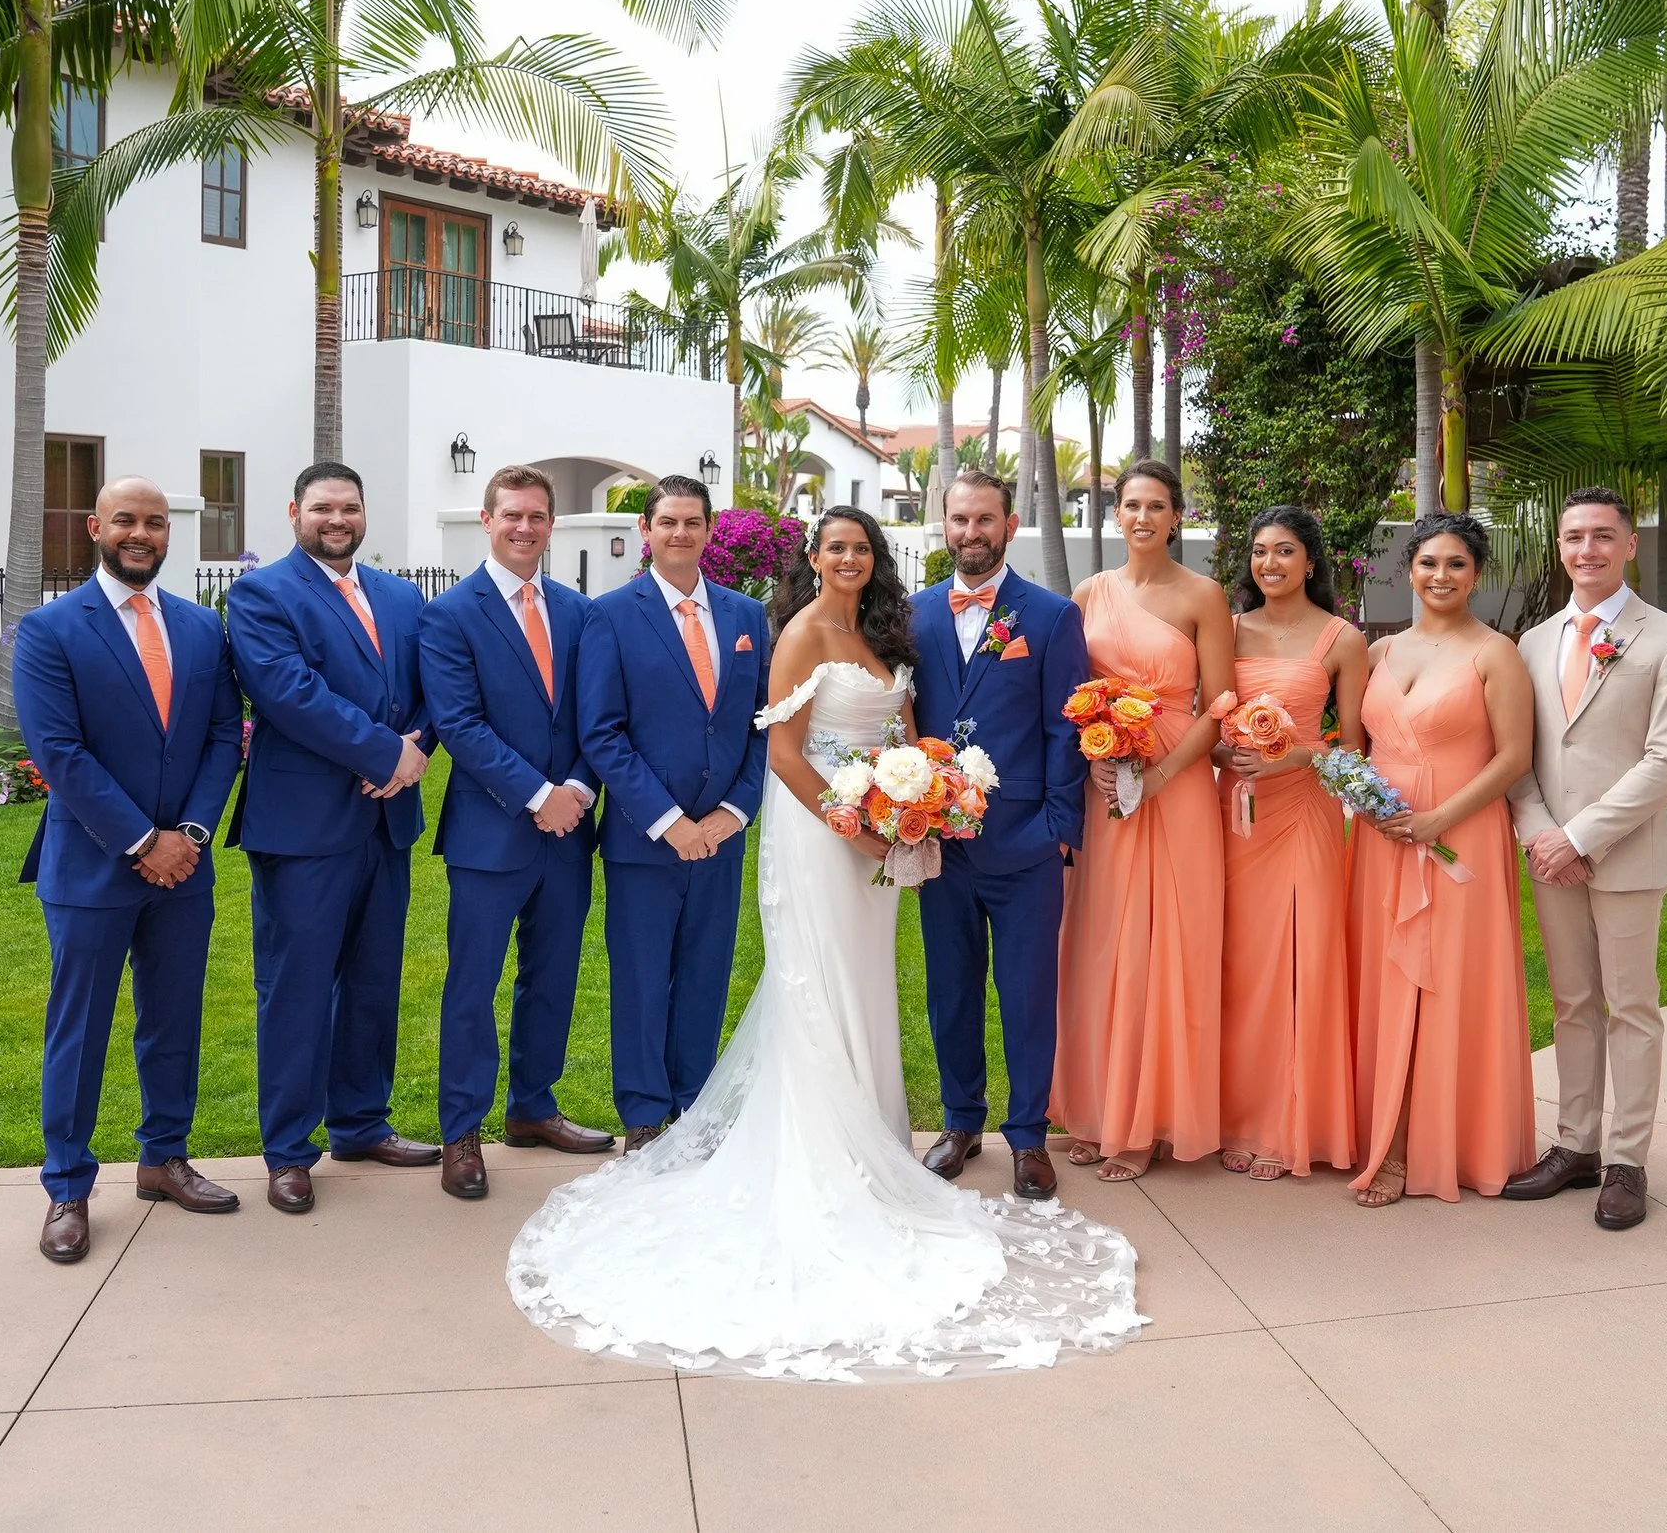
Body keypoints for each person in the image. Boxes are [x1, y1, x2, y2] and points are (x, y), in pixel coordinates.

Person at [507, 508, 1143, 1378]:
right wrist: (852, 821)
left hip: (882, 836)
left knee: (866, 980)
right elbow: (784, 752)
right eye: (834, 546)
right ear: (813, 557)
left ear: (874, 558)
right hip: (822, 837)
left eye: (861, 546)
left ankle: (875, 1139)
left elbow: (906, 734)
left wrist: (916, 800)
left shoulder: (887, 628)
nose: (848, 557)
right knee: (821, 978)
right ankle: (824, 1152)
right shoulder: (802, 631)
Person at [13, 476, 246, 1263]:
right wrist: (143, 842)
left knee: (173, 1017)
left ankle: (164, 1157)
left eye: (154, 521)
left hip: (186, 865)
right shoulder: (50, 629)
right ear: (95, 527)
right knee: (79, 1029)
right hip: (92, 867)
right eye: (125, 520)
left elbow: (224, 737)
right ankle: (68, 1186)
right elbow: (60, 753)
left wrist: (189, 833)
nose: (141, 533)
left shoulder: (201, 628)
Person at [224, 463, 440, 1216]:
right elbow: (289, 693)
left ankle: (361, 1121)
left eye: (349, 506)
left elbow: (432, 688)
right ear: (294, 513)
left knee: (375, 981)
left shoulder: (401, 595)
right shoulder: (261, 594)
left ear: (364, 512)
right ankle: (289, 1148)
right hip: (305, 827)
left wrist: (415, 747)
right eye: (323, 507)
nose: (337, 518)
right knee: (298, 987)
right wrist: (387, 753)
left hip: (386, 821)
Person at [1503, 487, 1667, 1230]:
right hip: (1550, 854)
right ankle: (1575, 1145)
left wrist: (1581, 835)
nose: (1585, 549)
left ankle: (1627, 1160)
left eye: (1601, 536)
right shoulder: (1531, 641)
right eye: (1573, 536)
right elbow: (1518, 753)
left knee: (1632, 1007)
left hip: (1621, 854)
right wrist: (1538, 832)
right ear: (1559, 546)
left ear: (1629, 546)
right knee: (1572, 1004)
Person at [419, 465, 614, 1202]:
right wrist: (538, 794)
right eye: (512, 515)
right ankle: (461, 1130)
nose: (524, 527)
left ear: (551, 524)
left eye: (537, 516)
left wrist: (578, 790)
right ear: (486, 519)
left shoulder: (578, 610)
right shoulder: (449, 615)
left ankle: (533, 1106)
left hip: (568, 830)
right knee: (473, 983)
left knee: (552, 974)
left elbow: (597, 716)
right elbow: (460, 725)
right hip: (489, 831)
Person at [907, 469, 1091, 1201]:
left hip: (1024, 843)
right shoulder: (914, 612)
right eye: (959, 519)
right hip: (938, 844)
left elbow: (1065, 728)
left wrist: (1057, 828)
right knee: (951, 990)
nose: (971, 532)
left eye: (985, 519)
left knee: (1026, 993)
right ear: (945, 526)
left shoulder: (1048, 617)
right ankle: (960, 1122)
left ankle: (1027, 1136)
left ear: (1010, 525)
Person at [1346, 512, 1538, 1207]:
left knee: (1447, 983)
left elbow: (1514, 756)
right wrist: (1362, 798)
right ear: (1409, 570)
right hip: (1383, 839)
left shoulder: (1496, 653)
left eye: (1456, 564)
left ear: (1477, 574)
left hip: (1460, 834)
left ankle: (1428, 1148)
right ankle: (1382, 1133)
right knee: (1387, 981)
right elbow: (1355, 746)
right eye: (1429, 562)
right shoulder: (1379, 653)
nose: (1441, 575)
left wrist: (1437, 819)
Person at [576, 475, 770, 1150]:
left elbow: (761, 724)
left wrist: (734, 812)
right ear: (646, 532)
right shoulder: (609, 614)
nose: (680, 533)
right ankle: (642, 1112)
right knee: (640, 976)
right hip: (645, 838)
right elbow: (602, 731)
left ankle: (695, 1101)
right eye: (668, 523)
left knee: (706, 972)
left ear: (709, 530)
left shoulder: (746, 617)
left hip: (721, 837)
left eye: (692, 522)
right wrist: (670, 821)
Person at [1051, 460, 1232, 1183]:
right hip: (1105, 785)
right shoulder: (1089, 593)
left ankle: (1150, 1120)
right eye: (1131, 504)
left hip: (1177, 783)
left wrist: (1157, 774)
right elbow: (1067, 692)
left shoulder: (1203, 595)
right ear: (1116, 513)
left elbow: (1219, 706)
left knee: (1168, 944)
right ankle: (1098, 1110)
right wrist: (1093, 753)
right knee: (1099, 942)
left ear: (1177, 516)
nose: (1143, 517)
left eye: (1157, 505)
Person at [1211, 506, 1366, 1180]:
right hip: (1233, 814)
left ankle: (1285, 1122)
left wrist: (1294, 756)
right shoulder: (1228, 629)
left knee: (1298, 965)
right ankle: (1233, 1115)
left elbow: (1354, 746)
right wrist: (1230, 750)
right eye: (1260, 552)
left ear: (1311, 561)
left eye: (1285, 551)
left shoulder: (1342, 639)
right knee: (1239, 966)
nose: (1269, 564)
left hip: (1302, 812)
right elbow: (1206, 722)